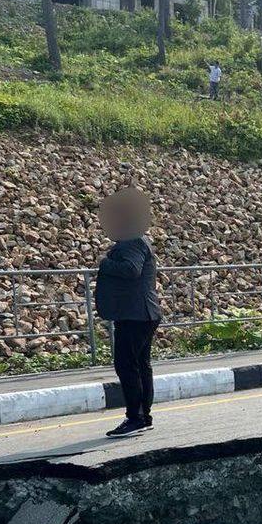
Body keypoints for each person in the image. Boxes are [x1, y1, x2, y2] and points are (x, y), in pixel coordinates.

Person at [94, 188, 163, 439]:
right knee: (140, 366)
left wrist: (104, 262)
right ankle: (143, 417)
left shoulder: (131, 241)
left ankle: (135, 418)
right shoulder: (140, 239)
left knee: (126, 365)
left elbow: (131, 270)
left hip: (135, 315)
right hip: (142, 313)